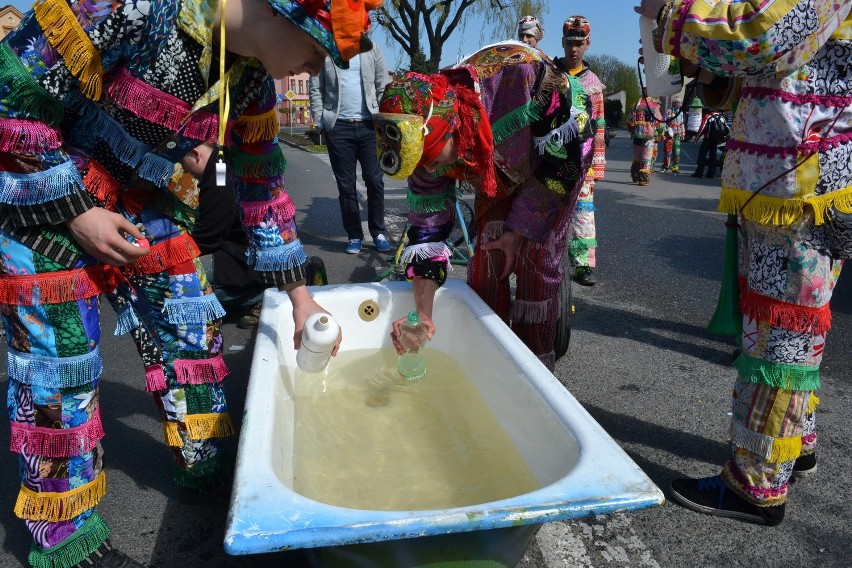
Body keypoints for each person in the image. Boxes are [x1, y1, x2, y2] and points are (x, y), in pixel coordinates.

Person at [0, 0, 379, 566]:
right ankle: (64, 533)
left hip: (139, 200)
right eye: (317, 49)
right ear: (281, 15)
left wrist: (301, 298)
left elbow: (262, 187)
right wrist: (78, 211)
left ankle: (207, 457)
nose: (317, 66)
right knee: (61, 359)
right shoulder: (135, 7)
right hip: (39, 194)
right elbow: (10, 96)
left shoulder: (250, 81)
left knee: (189, 313)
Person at [635, 0, 852, 526]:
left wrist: (672, 13)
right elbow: (761, 65)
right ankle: (793, 444)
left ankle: (757, 484)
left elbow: (762, 35)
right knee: (793, 327)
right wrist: (707, 70)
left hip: (801, 179)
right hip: (791, 175)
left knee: (780, 332)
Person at [374, 41, 592, 371]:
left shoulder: (519, 80)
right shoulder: (423, 144)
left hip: (560, 153)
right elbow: (426, 233)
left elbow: (565, 164)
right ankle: (488, 364)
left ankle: (533, 371)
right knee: (487, 258)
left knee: (534, 258)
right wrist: (422, 315)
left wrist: (518, 231)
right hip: (497, 164)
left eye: (432, 159)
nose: (431, 171)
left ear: (452, 129)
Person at [309, 44, 390, 255]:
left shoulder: (371, 49)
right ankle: (354, 235)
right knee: (346, 186)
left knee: (374, 181)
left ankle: (378, 232)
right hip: (338, 128)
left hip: (369, 126)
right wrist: (320, 123)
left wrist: (384, 119)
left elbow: (383, 84)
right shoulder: (325, 49)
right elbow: (316, 88)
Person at [183, 143, 269, 329]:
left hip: (248, 258)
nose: (184, 170)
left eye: (184, 163)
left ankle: (262, 294)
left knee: (182, 274)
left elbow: (209, 238)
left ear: (196, 154)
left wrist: (176, 251)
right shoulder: (224, 161)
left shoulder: (218, 180)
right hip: (251, 251)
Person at [552, 15, 607, 287]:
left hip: (582, 157)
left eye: (579, 43)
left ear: (587, 44)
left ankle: (582, 264)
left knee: (583, 211)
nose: (573, 49)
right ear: (562, 42)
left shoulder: (593, 83)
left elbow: (599, 125)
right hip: (550, 153)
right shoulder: (549, 73)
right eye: (569, 43)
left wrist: (597, 164)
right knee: (546, 205)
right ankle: (543, 258)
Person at [626, 89, 664, 186]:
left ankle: (635, 175)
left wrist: (632, 130)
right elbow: (659, 121)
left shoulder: (635, 106)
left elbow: (629, 121)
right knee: (646, 157)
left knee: (637, 157)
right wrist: (658, 132)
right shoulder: (653, 106)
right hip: (648, 136)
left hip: (637, 135)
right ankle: (643, 178)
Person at [691, 108, 728, 178]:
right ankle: (711, 173)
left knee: (702, 155)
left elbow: (702, 128)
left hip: (707, 139)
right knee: (713, 156)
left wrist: (696, 138)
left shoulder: (708, 116)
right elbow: (727, 128)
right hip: (716, 140)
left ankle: (699, 173)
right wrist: (723, 138)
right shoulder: (721, 117)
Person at [662, 98, 685, 173]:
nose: (679, 104)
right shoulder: (669, 111)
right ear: (674, 103)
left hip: (677, 134)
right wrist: (664, 133)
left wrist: (683, 133)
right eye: (678, 103)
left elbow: (682, 124)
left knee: (676, 151)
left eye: (680, 103)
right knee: (667, 150)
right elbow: (664, 122)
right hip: (669, 134)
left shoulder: (681, 113)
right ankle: (666, 166)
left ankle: (675, 167)